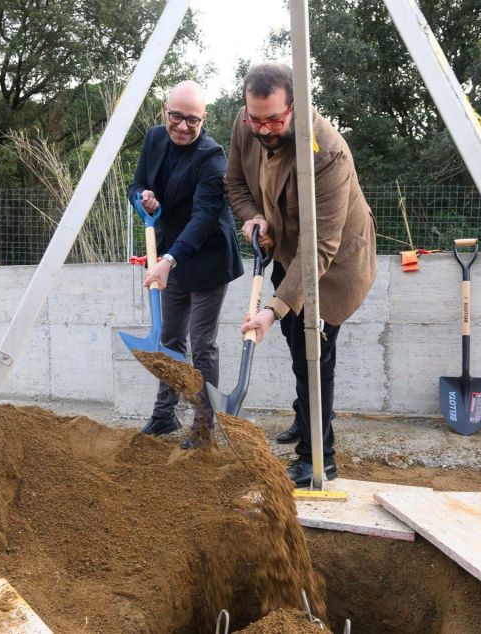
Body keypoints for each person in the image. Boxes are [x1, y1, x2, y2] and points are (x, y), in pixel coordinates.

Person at [225, 63, 377, 486]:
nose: (264, 129)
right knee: (295, 342)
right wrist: (253, 216)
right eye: (256, 119)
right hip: (289, 249)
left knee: (313, 353)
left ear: (297, 105)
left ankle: (318, 458)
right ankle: (306, 417)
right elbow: (234, 183)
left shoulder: (327, 152)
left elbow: (321, 249)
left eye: (275, 119)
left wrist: (271, 310)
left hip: (335, 263)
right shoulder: (246, 124)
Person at [128, 80, 244, 449]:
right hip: (168, 255)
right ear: (165, 110)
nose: (182, 126)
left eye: (192, 120)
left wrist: (169, 260)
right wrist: (142, 199)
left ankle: (204, 427)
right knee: (168, 337)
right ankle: (164, 415)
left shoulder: (214, 158)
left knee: (202, 342)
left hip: (207, 258)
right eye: (176, 117)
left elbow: (205, 216)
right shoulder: (154, 139)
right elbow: (137, 185)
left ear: (204, 118)